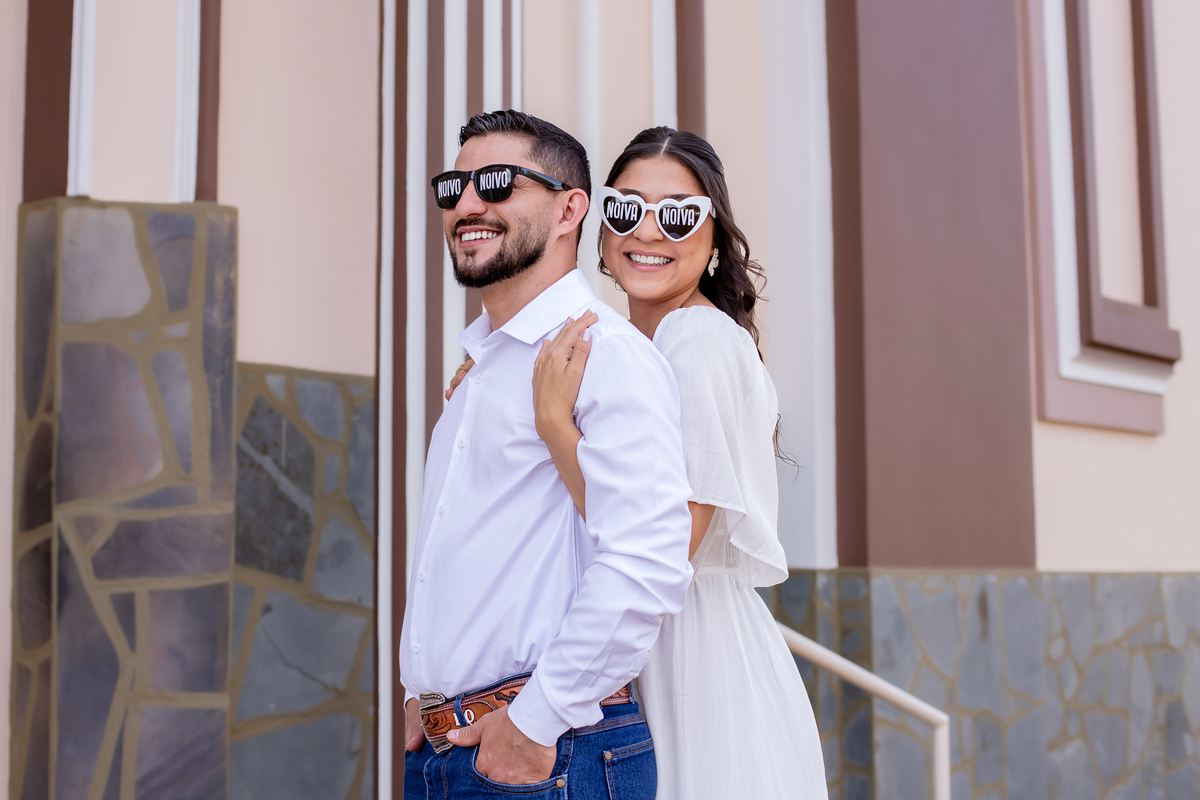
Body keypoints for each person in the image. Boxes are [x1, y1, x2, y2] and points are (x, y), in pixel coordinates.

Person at [455, 126, 828, 798]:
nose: (647, 231)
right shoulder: (626, 346)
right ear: (601, 231)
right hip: (633, 647)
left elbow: (664, 542)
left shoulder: (698, 339)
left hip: (690, 659)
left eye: (678, 215)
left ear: (715, 239)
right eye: (626, 209)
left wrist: (553, 425)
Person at [400, 110, 694, 799]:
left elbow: (646, 560)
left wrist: (534, 723)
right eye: (454, 187)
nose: (468, 205)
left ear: (569, 209)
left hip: (552, 755)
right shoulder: (480, 370)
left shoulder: (605, 355)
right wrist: (425, 697)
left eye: (499, 183)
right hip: (448, 753)